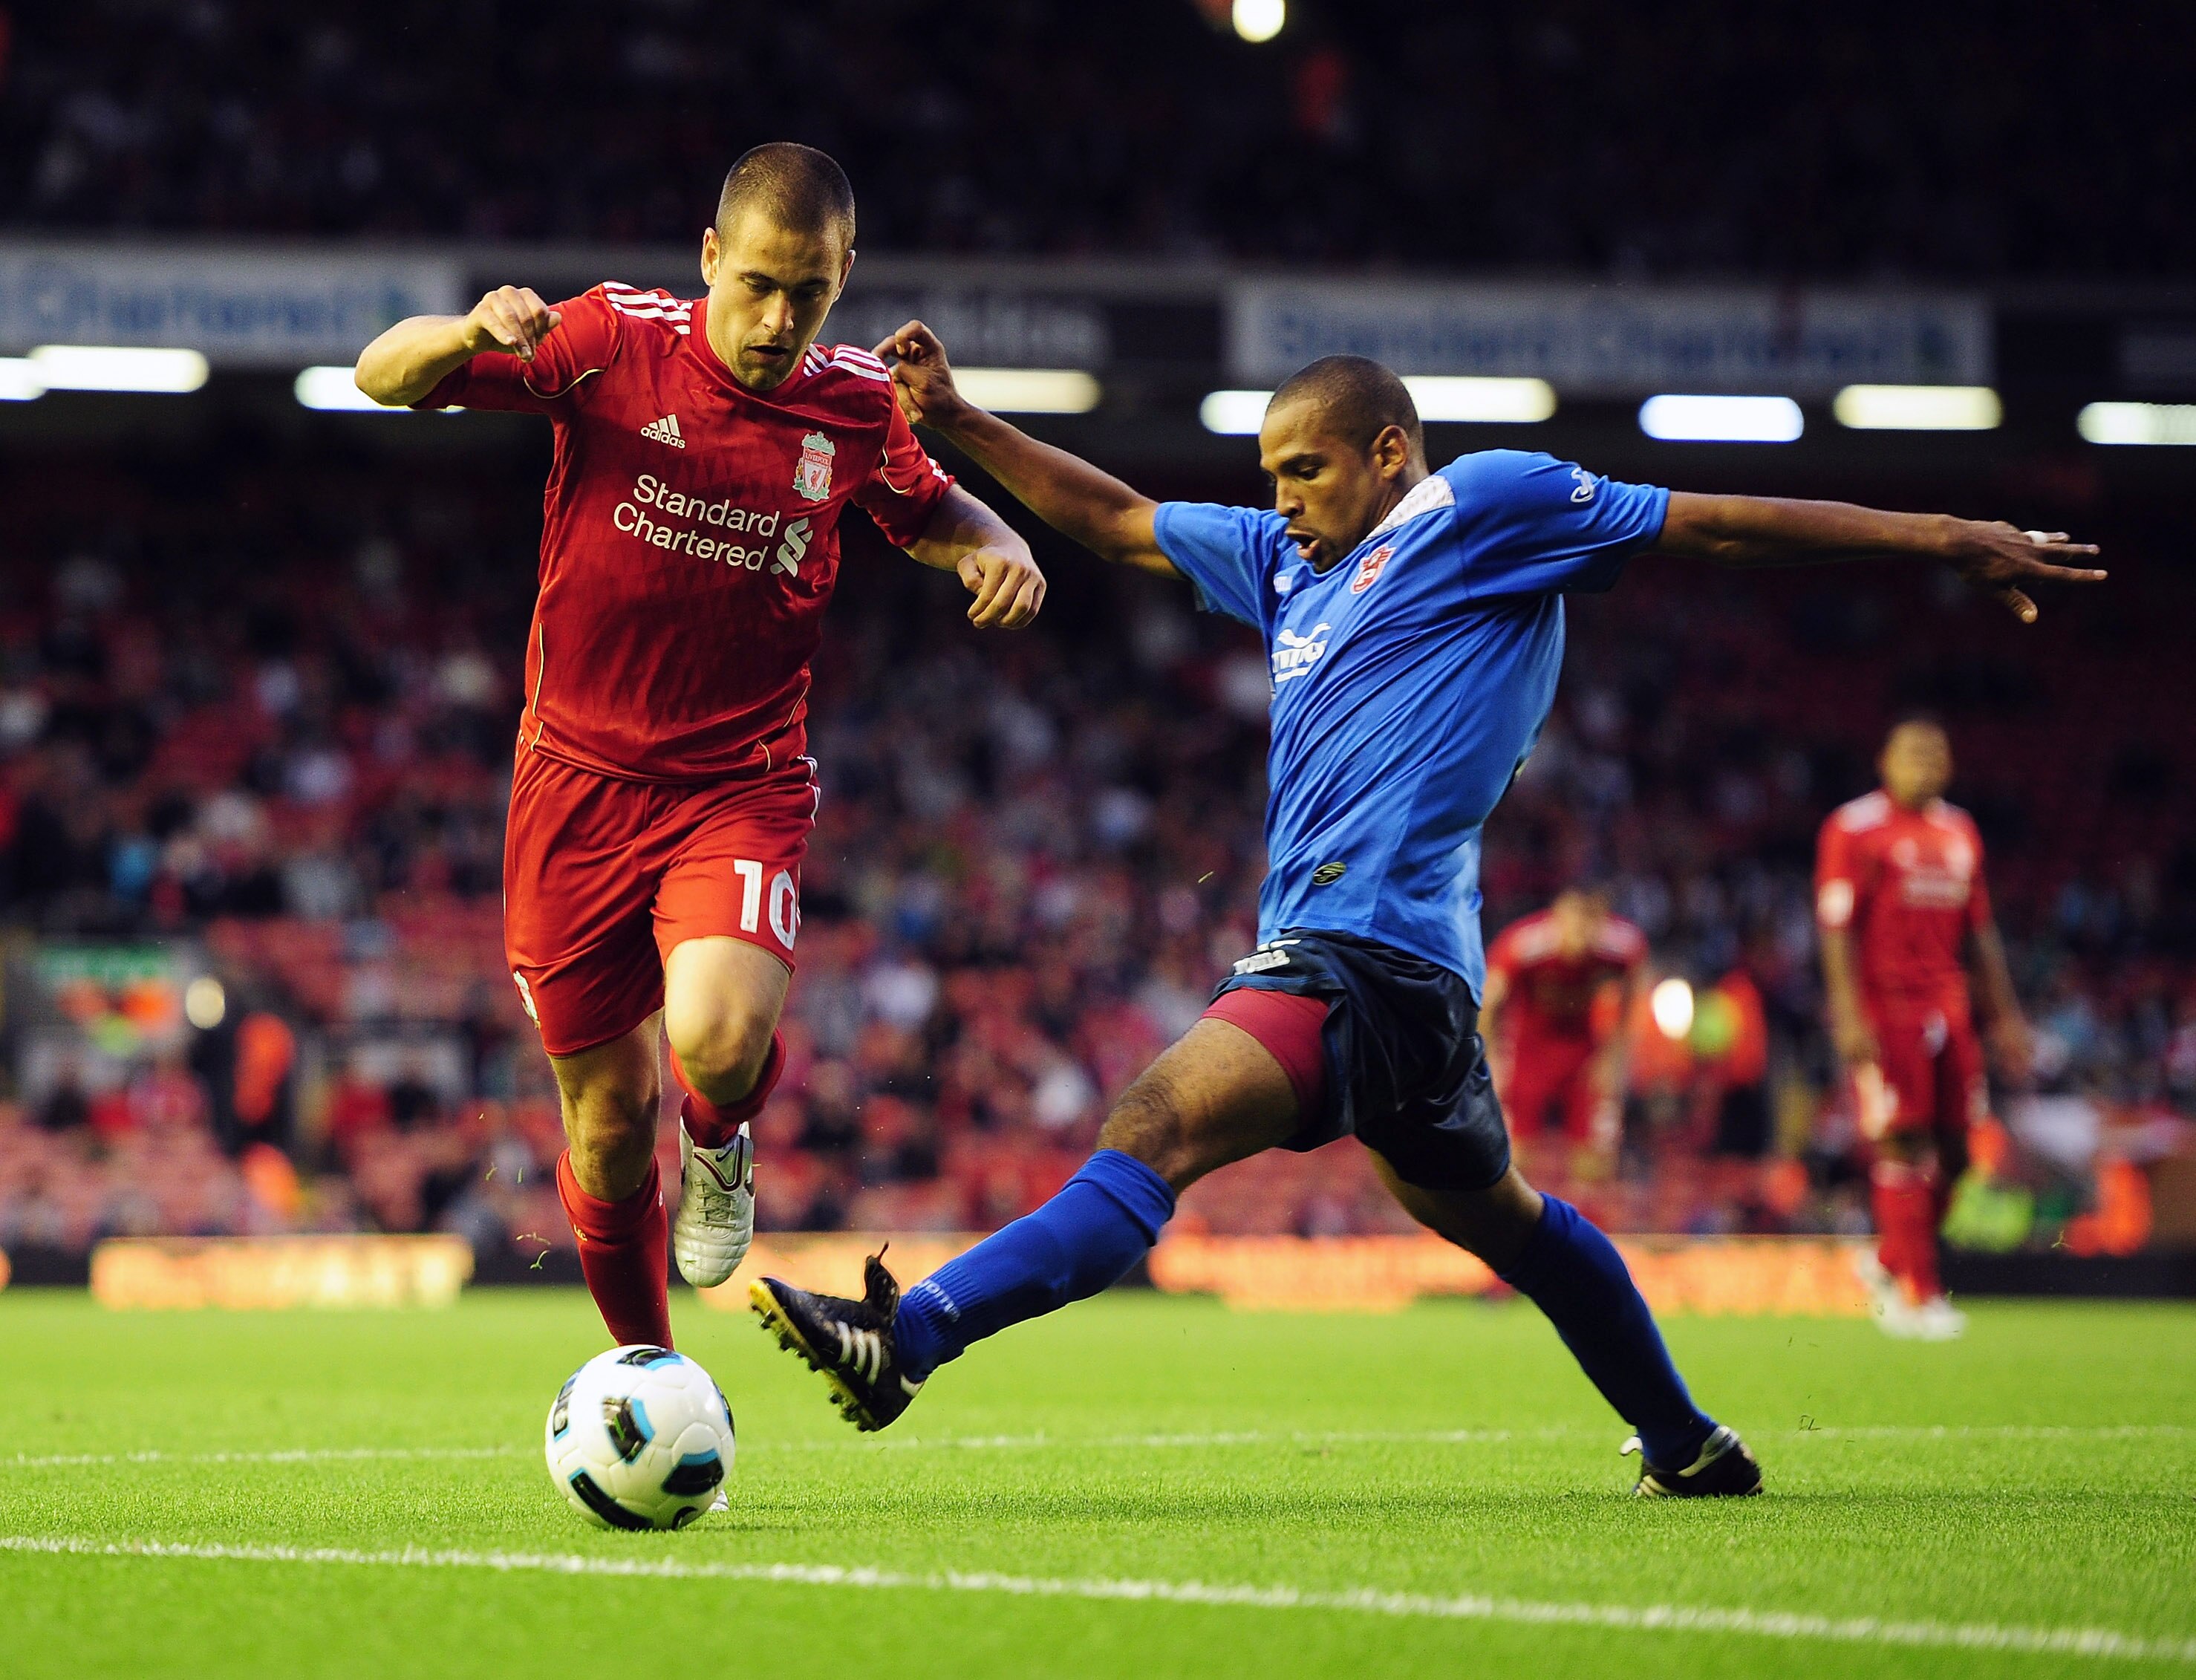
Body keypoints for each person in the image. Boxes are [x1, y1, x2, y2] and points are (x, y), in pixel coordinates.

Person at [751, 326, 2101, 1497]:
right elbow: (1113, 519)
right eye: (1270, 474)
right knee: (1507, 1222)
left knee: (1151, 1127)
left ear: (1388, 450)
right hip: (1412, 981)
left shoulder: (1484, 508)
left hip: (1361, 953)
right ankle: (1683, 1438)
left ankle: (908, 1338)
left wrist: (1938, 536)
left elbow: (1711, 522)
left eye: (1307, 469)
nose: (1278, 499)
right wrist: (959, 419)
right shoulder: (1290, 568)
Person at [354, 146, 1044, 1352]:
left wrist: (1000, 542)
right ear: (711, 256)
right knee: (610, 1124)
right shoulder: (610, 340)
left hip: (738, 783)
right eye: (761, 284)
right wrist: (468, 333)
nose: (781, 320)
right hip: (572, 785)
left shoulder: (852, 403)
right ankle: (645, 1364)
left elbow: (926, 506)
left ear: (844, 279)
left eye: (811, 293)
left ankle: (721, 1142)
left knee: (717, 1041)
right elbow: (379, 375)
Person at [1816, 717, 2034, 1339]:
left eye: (1935, 752)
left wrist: (2006, 1018)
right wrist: (1848, 1012)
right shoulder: (1854, 828)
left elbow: (1980, 932)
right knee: (1902, 1142)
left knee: (1962, 1153)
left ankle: (1886, 1262)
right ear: (1883, 760)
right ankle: (1920, 1292)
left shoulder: (1959, 831)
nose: (1924, 761)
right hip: (1887, 1009)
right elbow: (1835, 926)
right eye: (1911, 751)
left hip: (1949, 1008)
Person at [1481, 885, 1646, 1162]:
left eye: (1590, 923)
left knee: (1597, 1153)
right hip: (1527, 1049)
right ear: (1557, 918)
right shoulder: (1524, 944)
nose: (1581, 933)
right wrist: (1489, 1057)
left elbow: (1633, 992)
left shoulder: (1623, 946)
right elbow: (1490, 1002)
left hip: (1584, 1050)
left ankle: (1588, 1206)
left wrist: (1617, 1055)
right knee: (1512, 1155)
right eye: (1575, 922)